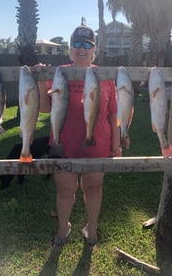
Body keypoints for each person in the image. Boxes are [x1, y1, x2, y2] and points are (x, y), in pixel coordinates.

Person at [38, 24, 122, 248]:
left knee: (93, 189)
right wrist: (39, 79)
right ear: (70, 48)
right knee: (65, 191)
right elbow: (45, 108)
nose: (82, 49)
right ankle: (63, 228)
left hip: (98, 145)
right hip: (62, 145)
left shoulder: (105, 77)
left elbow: (113, 111)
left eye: (87, 44)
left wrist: (116, 142)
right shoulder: (59, 73)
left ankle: (91, 230)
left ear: (94, 49)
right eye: (77, 44)